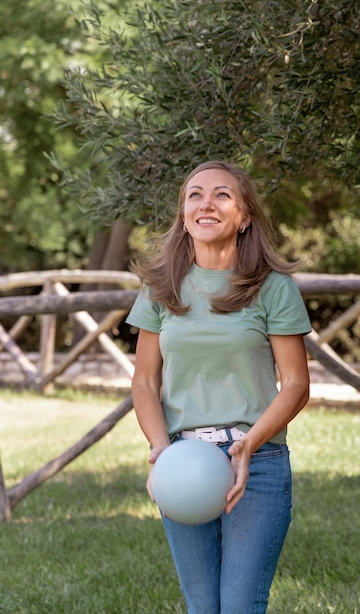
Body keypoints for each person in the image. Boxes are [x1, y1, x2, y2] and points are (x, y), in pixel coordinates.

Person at [126, 160, 311, 614]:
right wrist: (159, 450)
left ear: (245, 216)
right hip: (182, 463)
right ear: (184, 215)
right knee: (202, 606)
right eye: (195, 194)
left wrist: (250, 444)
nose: (206, 203)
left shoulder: (273, 288)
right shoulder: (160, 287)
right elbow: (145, 381)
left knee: (241, 606)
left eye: (222, 195)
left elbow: (297, 385)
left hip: (258, 462)